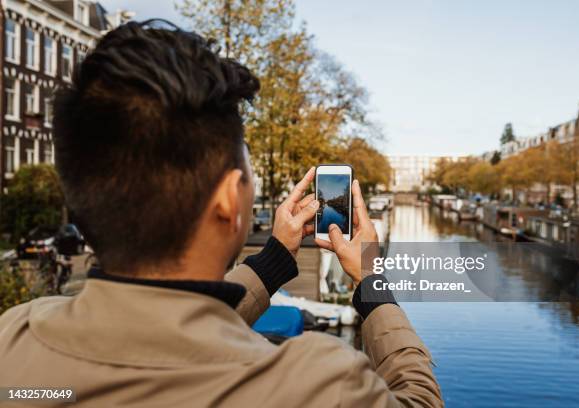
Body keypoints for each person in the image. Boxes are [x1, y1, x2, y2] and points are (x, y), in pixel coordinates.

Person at [0, 20, 442, 407]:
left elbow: (164, 333)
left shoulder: (13, 344)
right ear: (231, 199)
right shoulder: (318, 388)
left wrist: (275, 260)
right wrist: (371, 278)